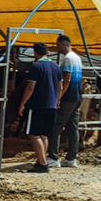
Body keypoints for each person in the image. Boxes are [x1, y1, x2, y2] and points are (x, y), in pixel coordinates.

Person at [18, 42, 62, 173]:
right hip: (52, 104)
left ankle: (42, 164)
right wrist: (57, 100)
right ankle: (41, 159)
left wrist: (22, 104)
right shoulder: (56, 67)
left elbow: (30, 87)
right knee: (44, 134)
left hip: (37, 104)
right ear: (47, 52)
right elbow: (60, 87)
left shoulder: (36, 67)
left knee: (34, 134)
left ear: (35, 53)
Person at [47, 35, 83, 168]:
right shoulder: (77, 58)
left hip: (68, 97)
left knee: (56, 126)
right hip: (77, 96)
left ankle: (53, 157)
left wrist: (59, 96)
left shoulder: (68, 59)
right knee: (72, 128)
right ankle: (71, 158)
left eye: (57, 45)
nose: (57, 48)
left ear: (63, 44)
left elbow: (67, 79)